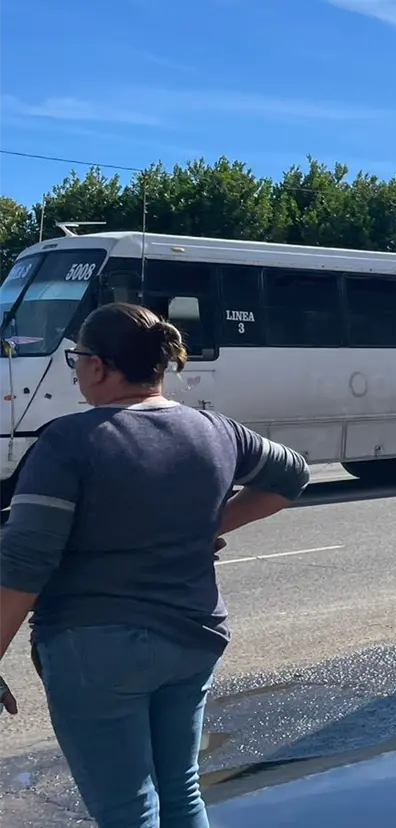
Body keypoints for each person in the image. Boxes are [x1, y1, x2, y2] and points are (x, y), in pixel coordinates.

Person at [0, 302, 309, 828]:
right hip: (194, 636)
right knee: (180, 791)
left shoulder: (69, 441)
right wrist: (208, 528)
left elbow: (27, 558)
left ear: (97, 365)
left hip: (94, 648)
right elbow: (291, 476)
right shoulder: (217, 432)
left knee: (127, 809)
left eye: (77, 359)